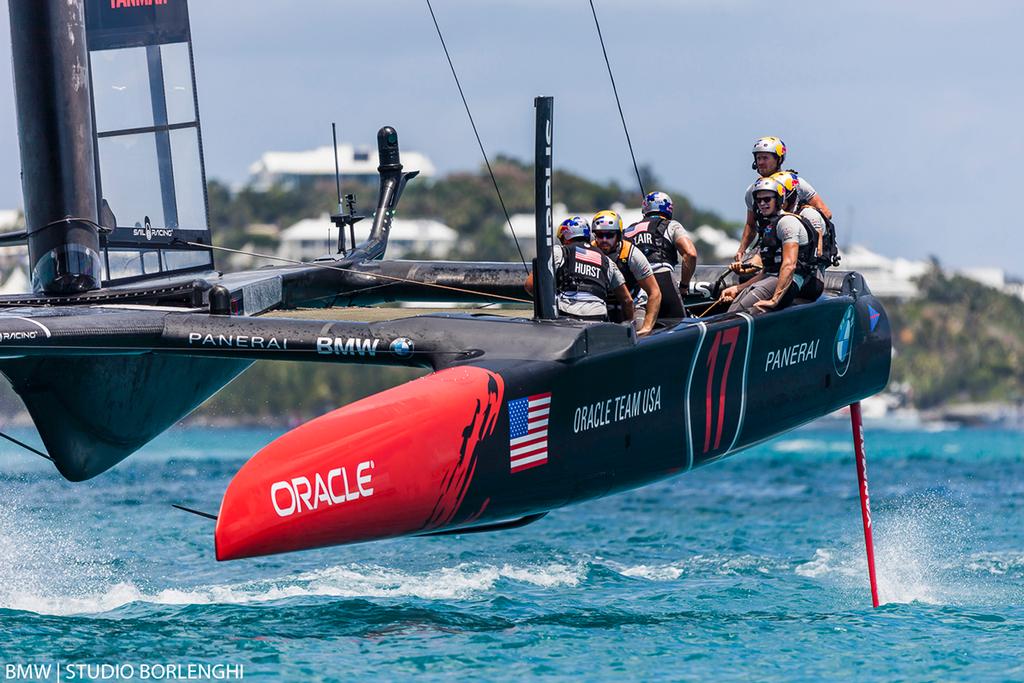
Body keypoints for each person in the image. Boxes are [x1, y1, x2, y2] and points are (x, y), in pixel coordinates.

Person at [721, 176, 821, 315]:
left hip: (795, 283)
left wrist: (774, 300)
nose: (762, 203)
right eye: (758, 200)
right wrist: (738, 288)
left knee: (737, 313)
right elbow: (767, 271)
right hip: (774, 277)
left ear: (779, 200)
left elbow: (789, 265)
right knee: (735, 307)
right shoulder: (770, 226)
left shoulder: (787, 223)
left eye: (767, 199)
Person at [733, 137, 833, 269]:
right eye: (758, 158)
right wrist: (741, 250)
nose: (761, 162)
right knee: (743, 269)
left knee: (810, 213)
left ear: (778, 159)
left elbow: (826, 213)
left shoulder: (796, 183)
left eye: (765, 158)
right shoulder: (753, 191)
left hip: (796, 245)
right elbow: (751, 225)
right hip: (769, 243)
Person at [525, 216, 633, 322]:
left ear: (566, 238)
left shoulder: (559, 252)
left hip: (567, 317)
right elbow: (627, 301)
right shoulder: (607, 261)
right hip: (598, 319)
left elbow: (530, 285)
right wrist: (628, 326)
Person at [623, 191, 697, 318]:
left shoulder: (627, 231)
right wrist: (684, 286)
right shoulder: (671, 225)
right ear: (669, 209)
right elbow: (690, 254)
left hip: (634, 286)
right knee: (677, 329)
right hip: (662, 280)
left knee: (638, 333)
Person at [591, 209, 662, 336]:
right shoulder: (590, 253)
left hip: (634, 304)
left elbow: (654, 292)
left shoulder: (632, 254)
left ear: (618, 235)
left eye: (609, 235)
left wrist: (647, 327)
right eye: (600, 235)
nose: (604, 240)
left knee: (637, 334)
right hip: (603, 306)